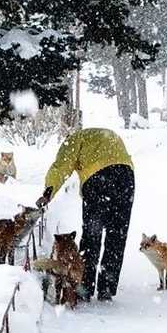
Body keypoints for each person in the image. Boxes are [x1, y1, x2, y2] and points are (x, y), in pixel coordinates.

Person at [37, 127, 134, 302]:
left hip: (98, 180)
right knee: (117, 235)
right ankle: (107, 288)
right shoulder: (109, 134)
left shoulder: (74, 139)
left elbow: (60, 167)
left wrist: (47, 193)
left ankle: (85, 287)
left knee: (92, 236)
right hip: (126, 177)